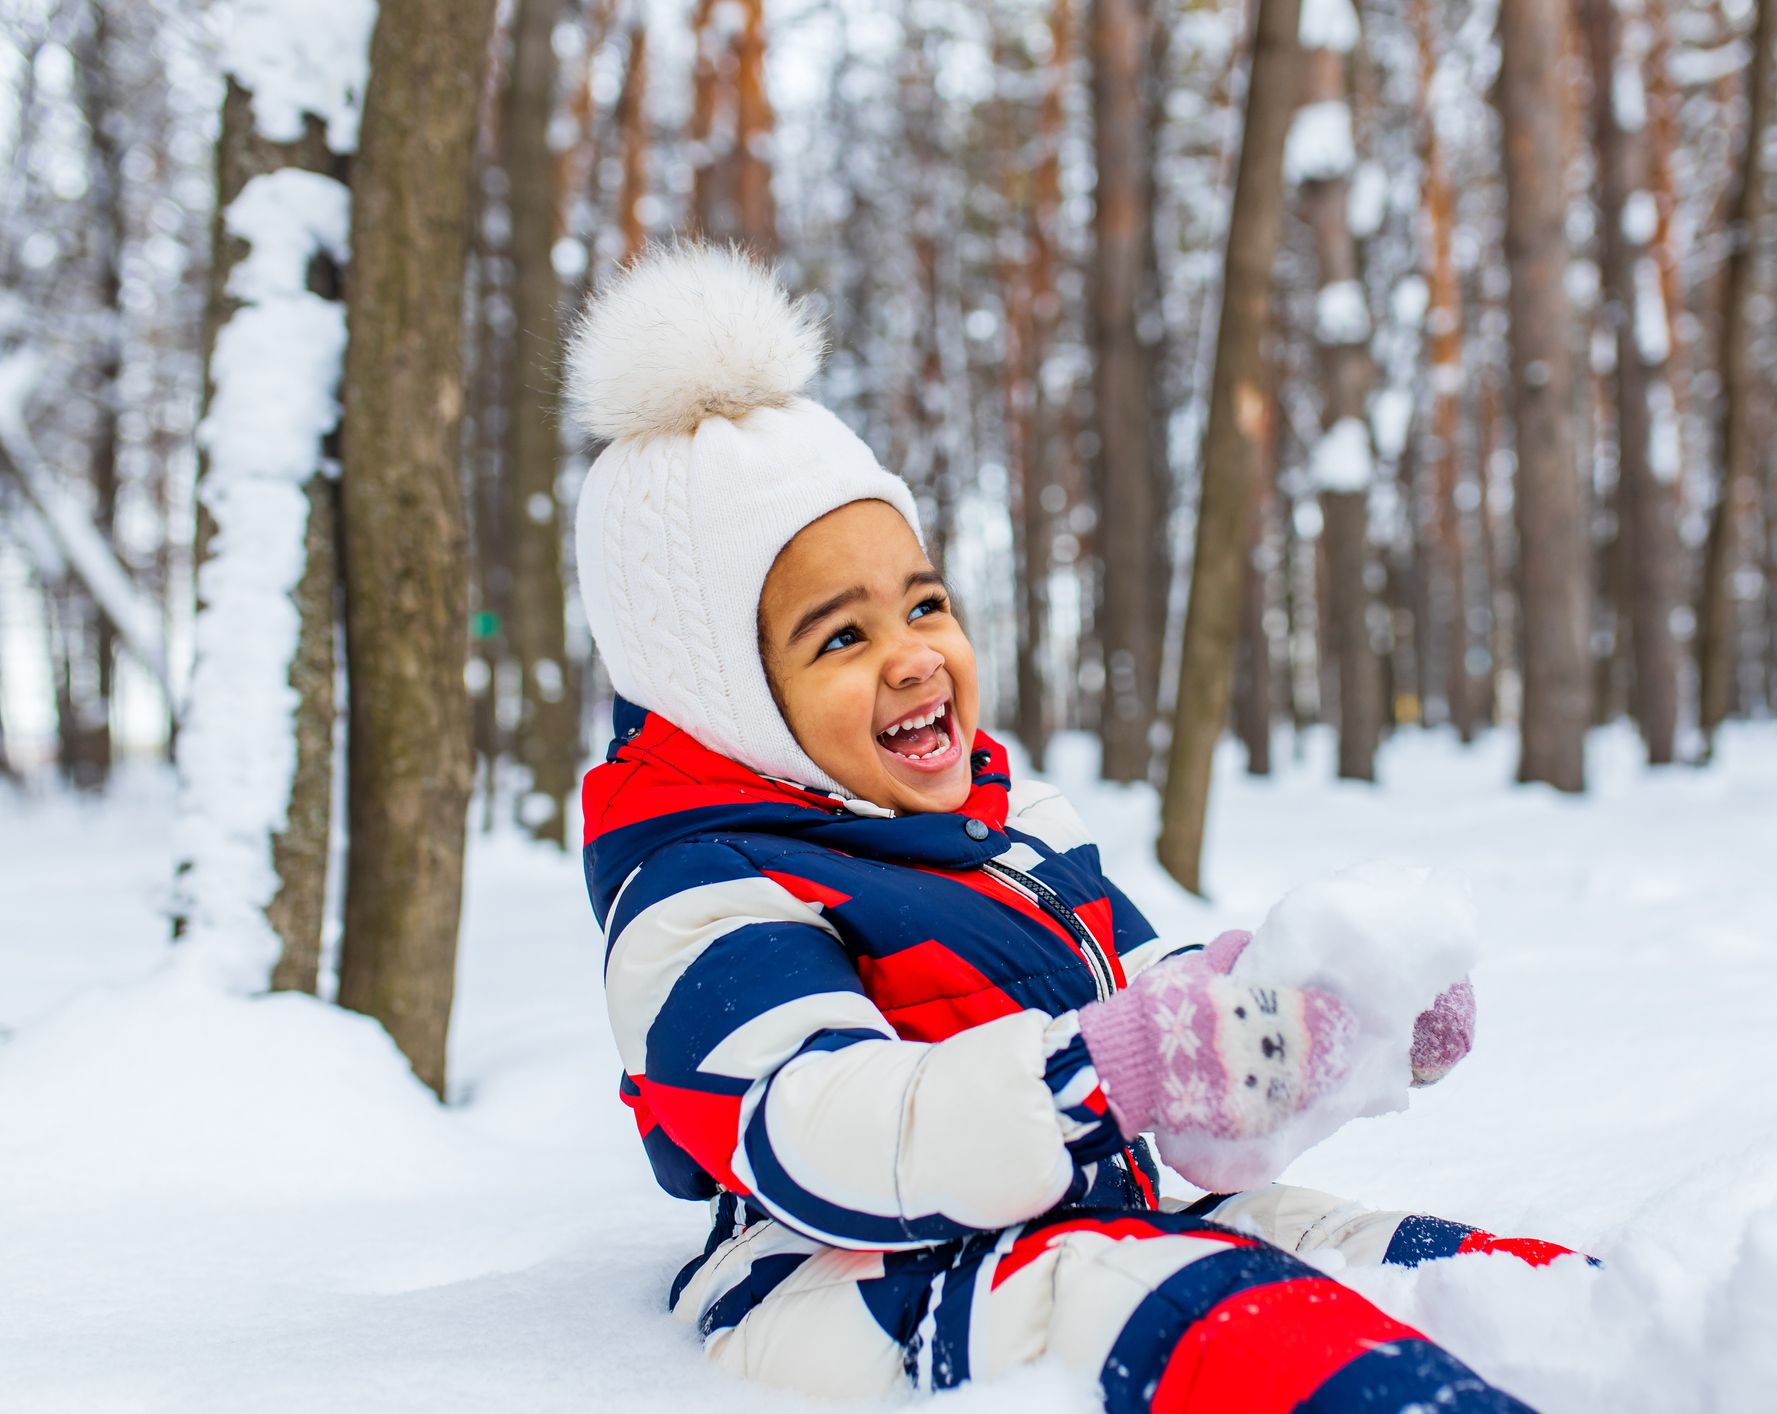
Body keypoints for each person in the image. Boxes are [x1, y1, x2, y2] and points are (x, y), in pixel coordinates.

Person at [567, 242, 1578, 1413]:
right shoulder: (702, 886)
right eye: (840, 638)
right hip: (850, 1286)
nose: (913, 654)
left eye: (924, 602)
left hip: (1108, 1212)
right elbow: (815, 1128)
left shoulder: (1012, 825)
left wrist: (1340, 1021)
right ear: (730, 700)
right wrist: (1110, 1072)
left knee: (1389, 1262)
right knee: (1190, 1312)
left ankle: (1625, 1351)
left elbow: (1157, 995)